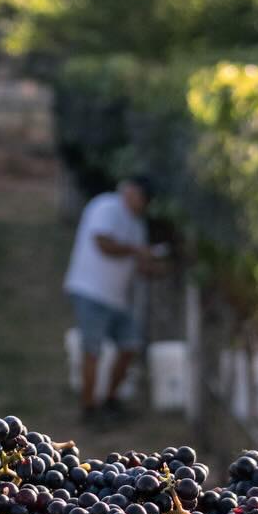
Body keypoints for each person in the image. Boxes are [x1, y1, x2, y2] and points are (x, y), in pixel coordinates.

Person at [63, 175, 160, 423]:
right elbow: (103, 243)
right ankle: (89, 408)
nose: (142, 203)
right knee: (92, 350)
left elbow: (139, 265)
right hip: (91, 290)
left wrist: (156, 265)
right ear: (130, 191)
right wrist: (137, 251)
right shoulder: (107, 206)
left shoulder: (137, 225)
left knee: (130, 346)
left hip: (117, 298)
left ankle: (110, 400)